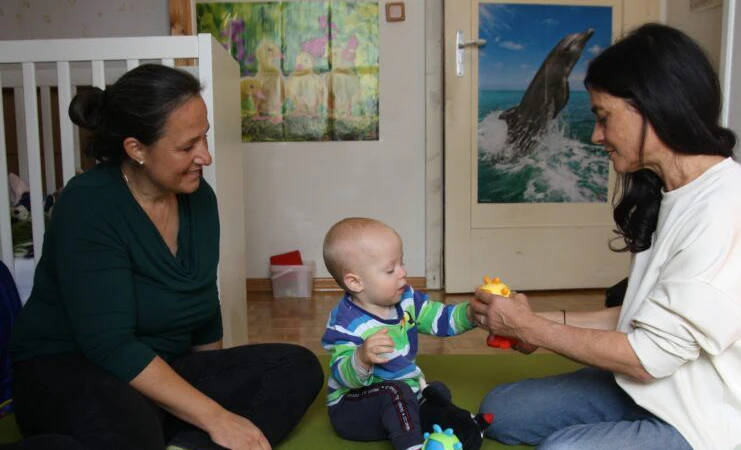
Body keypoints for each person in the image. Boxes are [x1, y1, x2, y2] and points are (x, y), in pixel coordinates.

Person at [470, 23, 741, 450]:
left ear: (655, 107)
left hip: (713, 423)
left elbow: (646, 358)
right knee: (502, 411)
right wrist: (534, 323)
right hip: (659, 389)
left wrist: (532, 327)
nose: (595, 135)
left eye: (604, 118)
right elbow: (643, 319)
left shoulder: (729, 208)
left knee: (561, 449)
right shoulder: (672, 191)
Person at [6, 64, 323, 450]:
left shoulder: (198, 198)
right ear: (136, 149)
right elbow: (109, 345)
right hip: (72, 369)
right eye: (187, 147)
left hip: (160, 367)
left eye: (204, 138)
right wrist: (215, 415)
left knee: (295, 367)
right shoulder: (90, 203)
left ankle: (178, 439)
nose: (205, 156)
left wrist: (214, 386)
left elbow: (204, 307)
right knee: (128, 426)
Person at [320, 217, 488, 450]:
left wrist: (470, 314)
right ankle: (411, 445)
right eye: (390, 269)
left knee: (434, 391)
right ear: (356, 282)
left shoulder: (407, 300)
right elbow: (343, 376)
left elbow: (440, 319)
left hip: (402, 399)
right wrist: (361, 357)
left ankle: (463, 432)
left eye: (402, 263)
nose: (403, 272)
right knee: (397, 391)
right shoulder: (346, 322)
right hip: (354, 409)